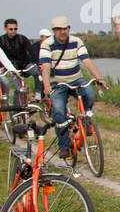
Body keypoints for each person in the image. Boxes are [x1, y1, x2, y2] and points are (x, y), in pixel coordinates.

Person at [39, 16, 107, 159]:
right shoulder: (47, 44)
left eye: (65, 29)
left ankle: (85, 119)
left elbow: (86, 61)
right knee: (58, 111)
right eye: (59, 29)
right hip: (57, 82)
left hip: (76, 79)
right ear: (54, 31)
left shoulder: (76, 42)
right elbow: (45, 66)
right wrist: (46, 86)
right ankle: (64, 147)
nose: (62, 32)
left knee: (90, 95)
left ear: (69, 29)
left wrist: (99, 78)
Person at [0, 18, 37, 102]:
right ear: (5, 29)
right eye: (11, 29)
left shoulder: (22, 39)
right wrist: (1, 67)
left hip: (24, 65)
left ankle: (38, 93)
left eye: (15, 29)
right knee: (19, 89)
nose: (13, 31)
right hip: (11, 67)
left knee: (37, 73)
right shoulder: (0, 41)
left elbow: (31, 51)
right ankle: (16, 111)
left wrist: (37, 63)